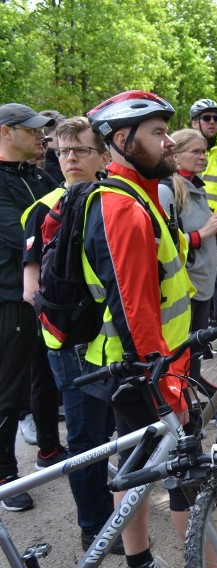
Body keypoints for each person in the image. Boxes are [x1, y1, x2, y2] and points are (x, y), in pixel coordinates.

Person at [83, 90, 195, 568]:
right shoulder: (124, 209)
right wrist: (166, 386)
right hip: (144, 372)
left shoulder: (142, 197)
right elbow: (134, 313)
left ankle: (140, 560)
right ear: (123, 140)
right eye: (157, 133)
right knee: (183, 477)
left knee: (134, 474)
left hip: (155, 366)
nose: (168, 142)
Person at [21, 116, 125, 553]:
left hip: (113, 341)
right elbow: (30, 291)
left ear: (103, 157)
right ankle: (94, 527)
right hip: (70, 345)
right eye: (62, 151)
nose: (69, 159)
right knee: (86, 439)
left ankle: (118, 507)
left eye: (80, 150)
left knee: (118, 431)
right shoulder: (44, 208)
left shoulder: (115, 201)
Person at [0, 103, 66, 513]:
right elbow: (18, 234)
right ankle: (5, 475)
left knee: (46, 376)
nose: (41, 136)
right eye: (33, 130)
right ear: (7, 132)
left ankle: (48, 451)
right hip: (10, 297)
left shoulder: (37, 174)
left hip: (45, 293)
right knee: (9, 387)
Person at [158, 129, 217, 394]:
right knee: (182, 351)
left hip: (202, 283)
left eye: (205, 152)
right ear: (176, 156)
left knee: (195, 349)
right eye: (196, 152)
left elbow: (199, 231)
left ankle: (192, 396)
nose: (203, 157)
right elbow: (167, 244)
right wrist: (204, 233)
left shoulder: (195, 186)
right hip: (185, 287)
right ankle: (182, 402)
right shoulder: (167, 190)